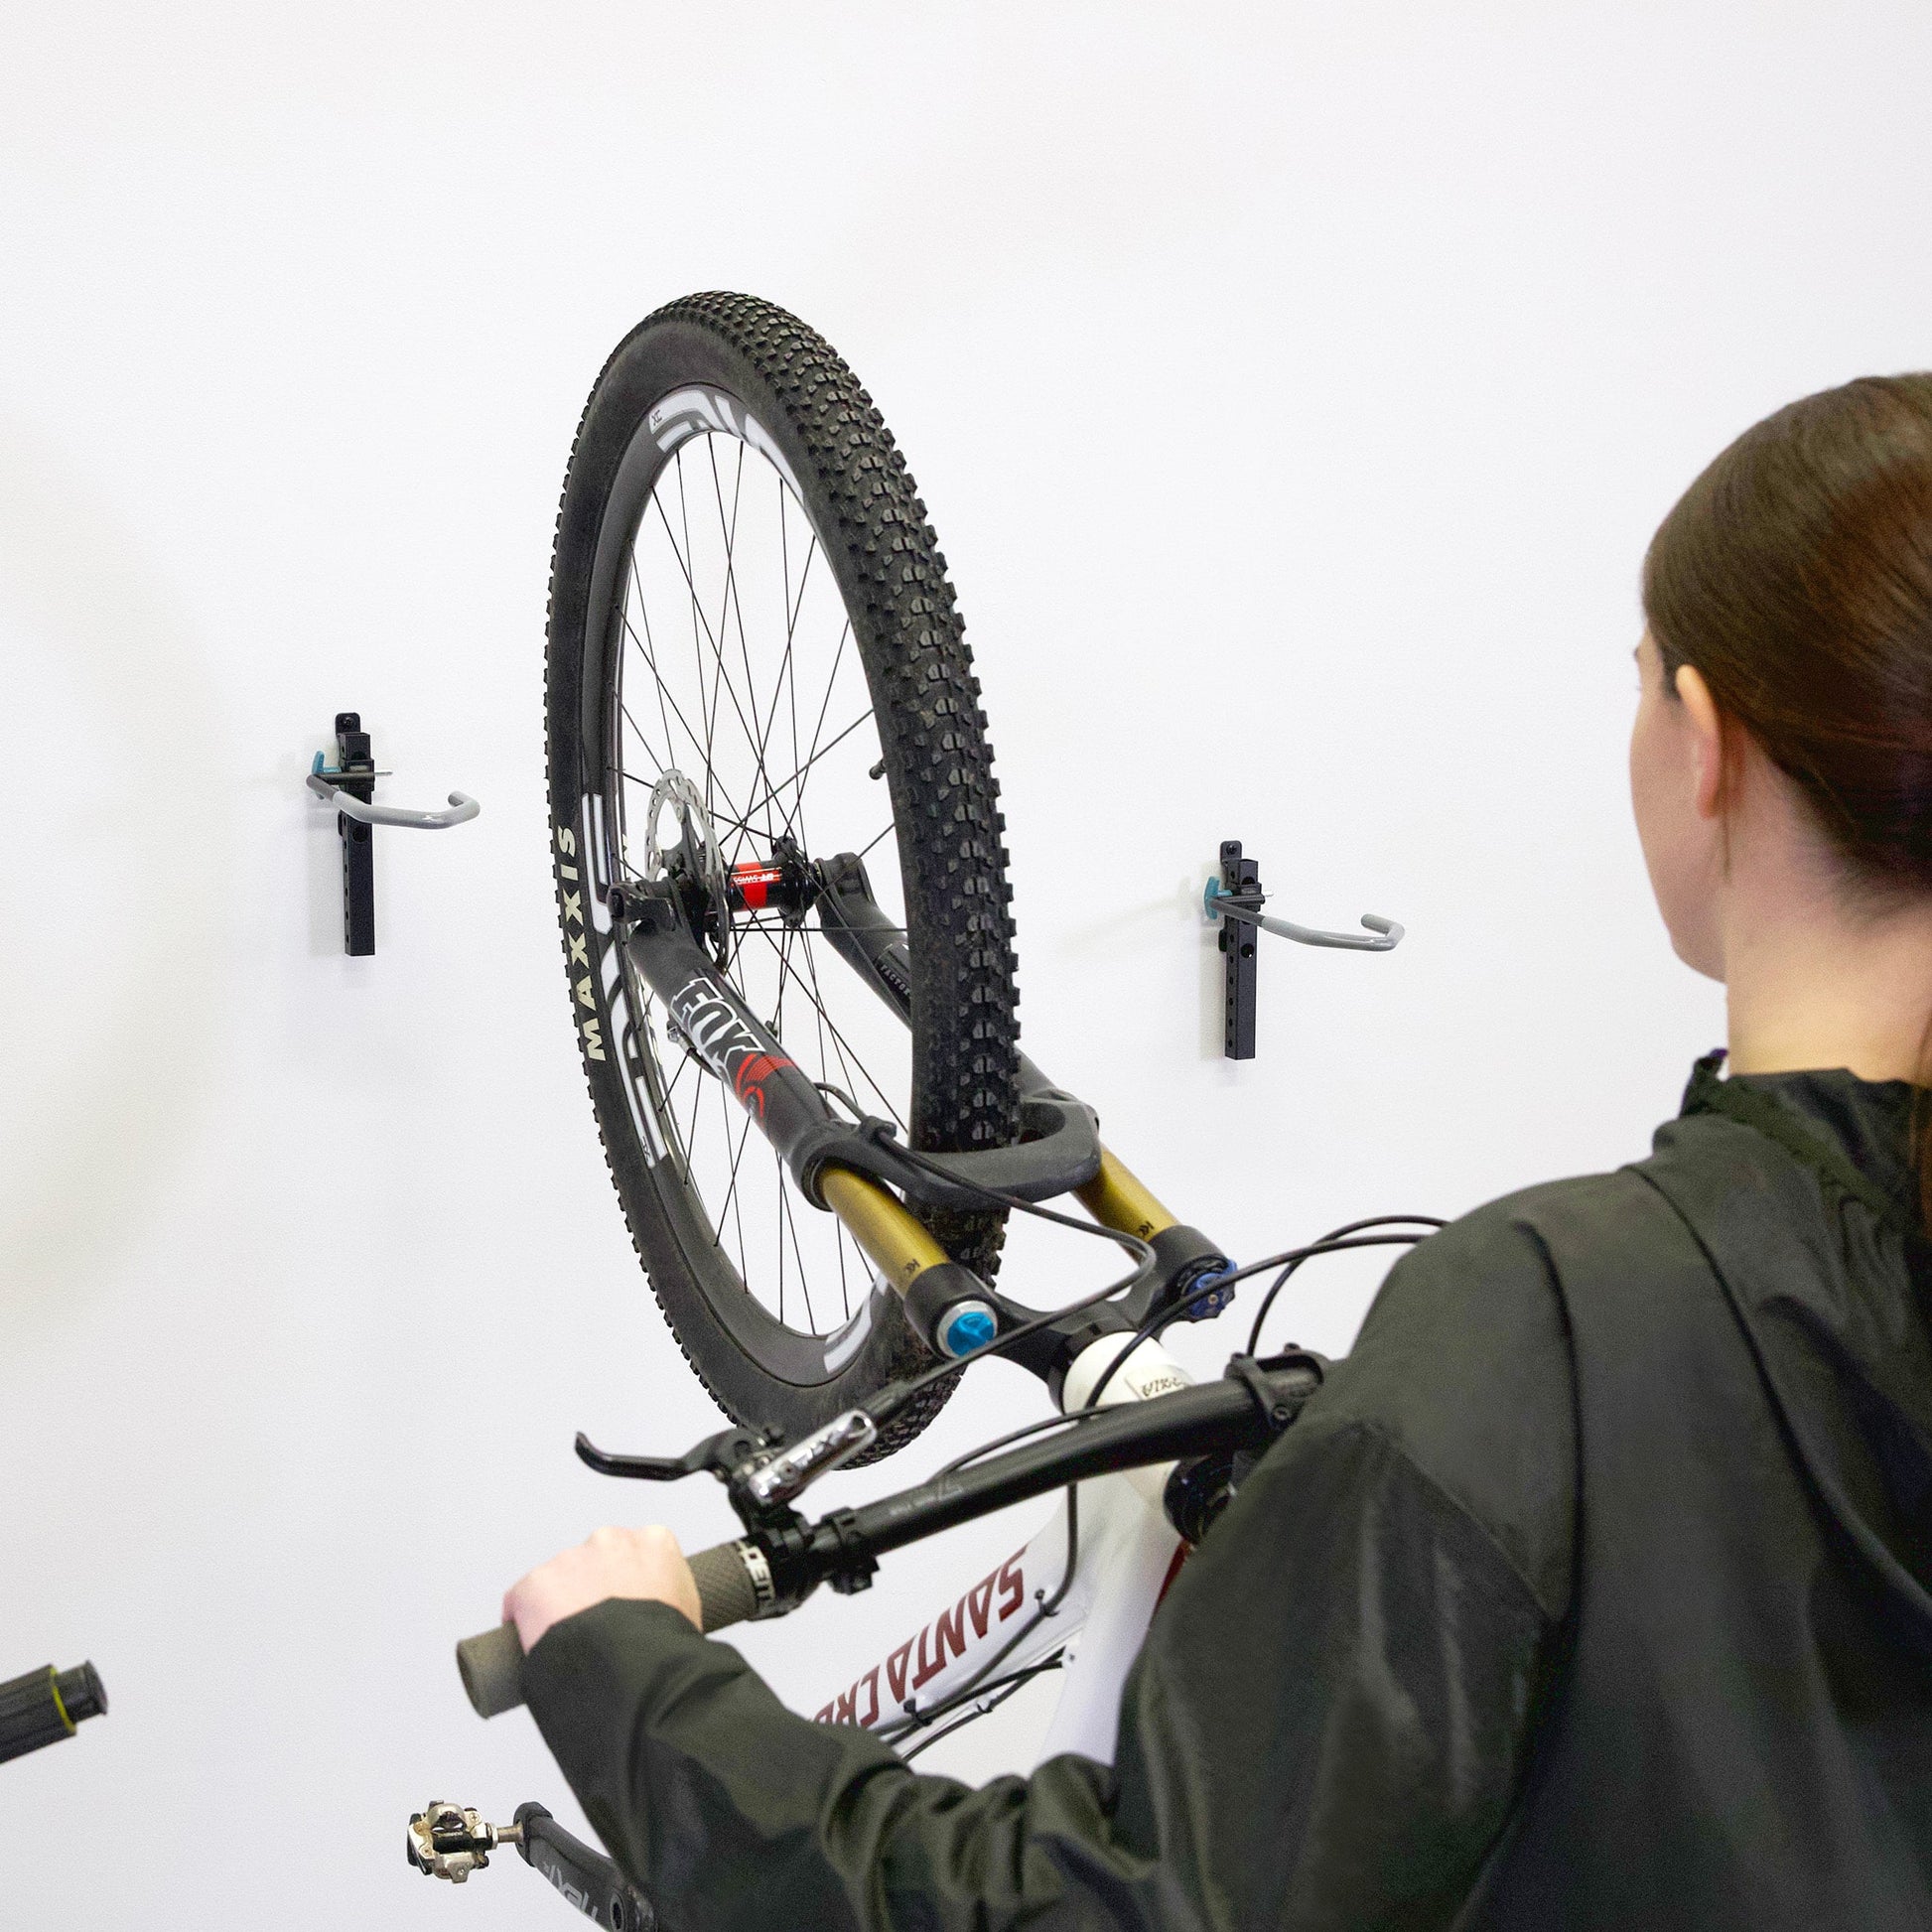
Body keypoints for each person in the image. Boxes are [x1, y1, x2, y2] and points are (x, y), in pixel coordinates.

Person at [503, 374, 1932, 1929]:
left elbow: (1127, 1912)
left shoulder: (1563, 1322)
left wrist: (630, 1679)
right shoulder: (1619, 1324)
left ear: (1702, 745)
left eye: (1641, 680)